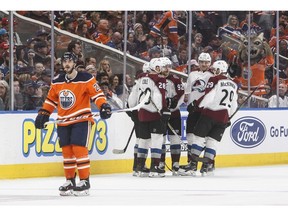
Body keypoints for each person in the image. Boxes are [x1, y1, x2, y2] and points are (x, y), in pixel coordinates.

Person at [34, 52, 112, 196]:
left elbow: (97, 95)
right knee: (67, 151)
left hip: (81, 119)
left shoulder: (86, 78)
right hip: (63, 121)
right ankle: (70, 180)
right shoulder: (57, 80)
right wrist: (44, 113)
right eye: (64, 62)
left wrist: (103, 106)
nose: (66, 64)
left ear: (75, 63)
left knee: (78, 148)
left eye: (69, 61)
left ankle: (85, 181)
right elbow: (51, 100)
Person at [188, 60, 238, 176]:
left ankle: (193, 165)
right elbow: (234, 104)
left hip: (210, 114)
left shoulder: (214, 79)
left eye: (215, 70)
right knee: (212, 142)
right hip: (223, 118)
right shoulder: (233, 84)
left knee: (199, 138)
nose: (214, 72)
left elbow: (208, 96)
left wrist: (196, 104)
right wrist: (228, 117)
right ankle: (207, 166)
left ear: (220, 70)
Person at [129, 58, 170, 177]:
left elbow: (132, 97)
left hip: (142, 114)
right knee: (157, 140)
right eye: (160, 67)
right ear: (157, 68)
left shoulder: (140, 78)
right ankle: (155, 167)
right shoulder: (160, 79)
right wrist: (163, 110)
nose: (162, 69)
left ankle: (140, 167)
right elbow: (159, 96)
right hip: (154, 114)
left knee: (143, 140)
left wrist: (133, 110)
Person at [178, 52, 214, 176]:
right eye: (202, 62)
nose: (204, 64)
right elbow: (187, 93)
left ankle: (209, 163)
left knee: (206, 138)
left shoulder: (212, 75)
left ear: (210, 63)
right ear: (198, 62)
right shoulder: (192, 75)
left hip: (205, 110)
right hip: (192, 110)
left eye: (206, 62)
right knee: (190, 136)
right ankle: (191, 163)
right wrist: (187, 104)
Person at [158, 57, 185, 176]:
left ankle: (175, 164)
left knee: (175, 139)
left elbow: (181, 95)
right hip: (160, 115)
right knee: (160, 139)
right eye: (164, 66)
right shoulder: (155, 79)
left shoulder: (176, 79)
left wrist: (173, 107)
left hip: (174, 114)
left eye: (168, 66)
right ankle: (161, 163)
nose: (167, 69)